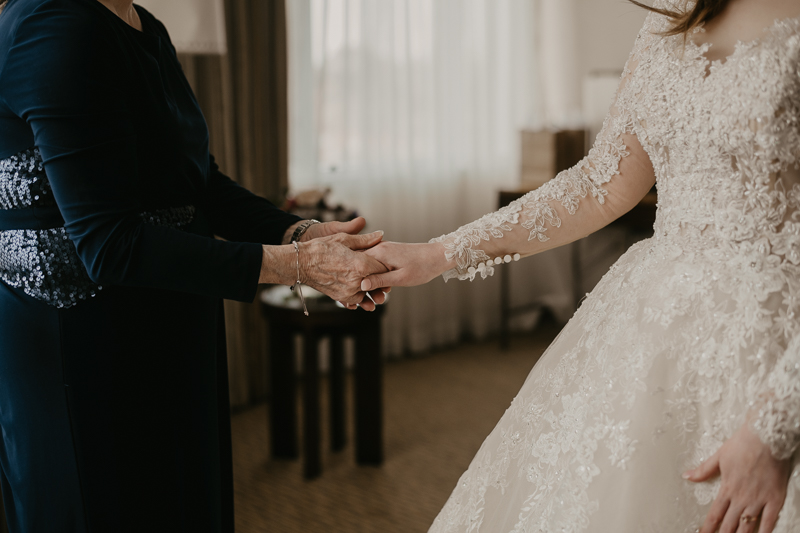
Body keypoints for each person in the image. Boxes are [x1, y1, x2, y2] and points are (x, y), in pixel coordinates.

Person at [360, 0, 800, 531]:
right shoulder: (670, 15)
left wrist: (775, 429)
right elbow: (599, 185)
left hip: (772, 338)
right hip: (649, 326)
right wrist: (438, 254)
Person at [0, 0, 387, 531]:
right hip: (84, 350)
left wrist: (298, 231)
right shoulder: (51, 26)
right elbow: (109, 243)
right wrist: (298, 265)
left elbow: (199, 183)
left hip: (172, 322)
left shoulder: (146, 27)